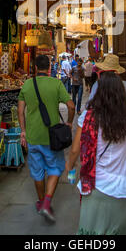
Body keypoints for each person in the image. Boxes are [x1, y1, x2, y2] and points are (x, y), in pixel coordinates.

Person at [66, 72, 126, 235]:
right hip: (123, 189)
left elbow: (75, 150)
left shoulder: (87, 117)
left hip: (94, 186)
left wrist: (69, 166)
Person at [18, 54, 75, 223]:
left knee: (37, 172)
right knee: (55, 169)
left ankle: (41, 201)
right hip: (52, 137)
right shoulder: (56, 83)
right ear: (49, 68)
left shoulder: (27, 85)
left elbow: (20, 112)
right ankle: (47, 202)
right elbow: (71, 106)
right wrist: (69, 123)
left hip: (33, 136)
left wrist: (23, 131)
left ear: (35, 68)